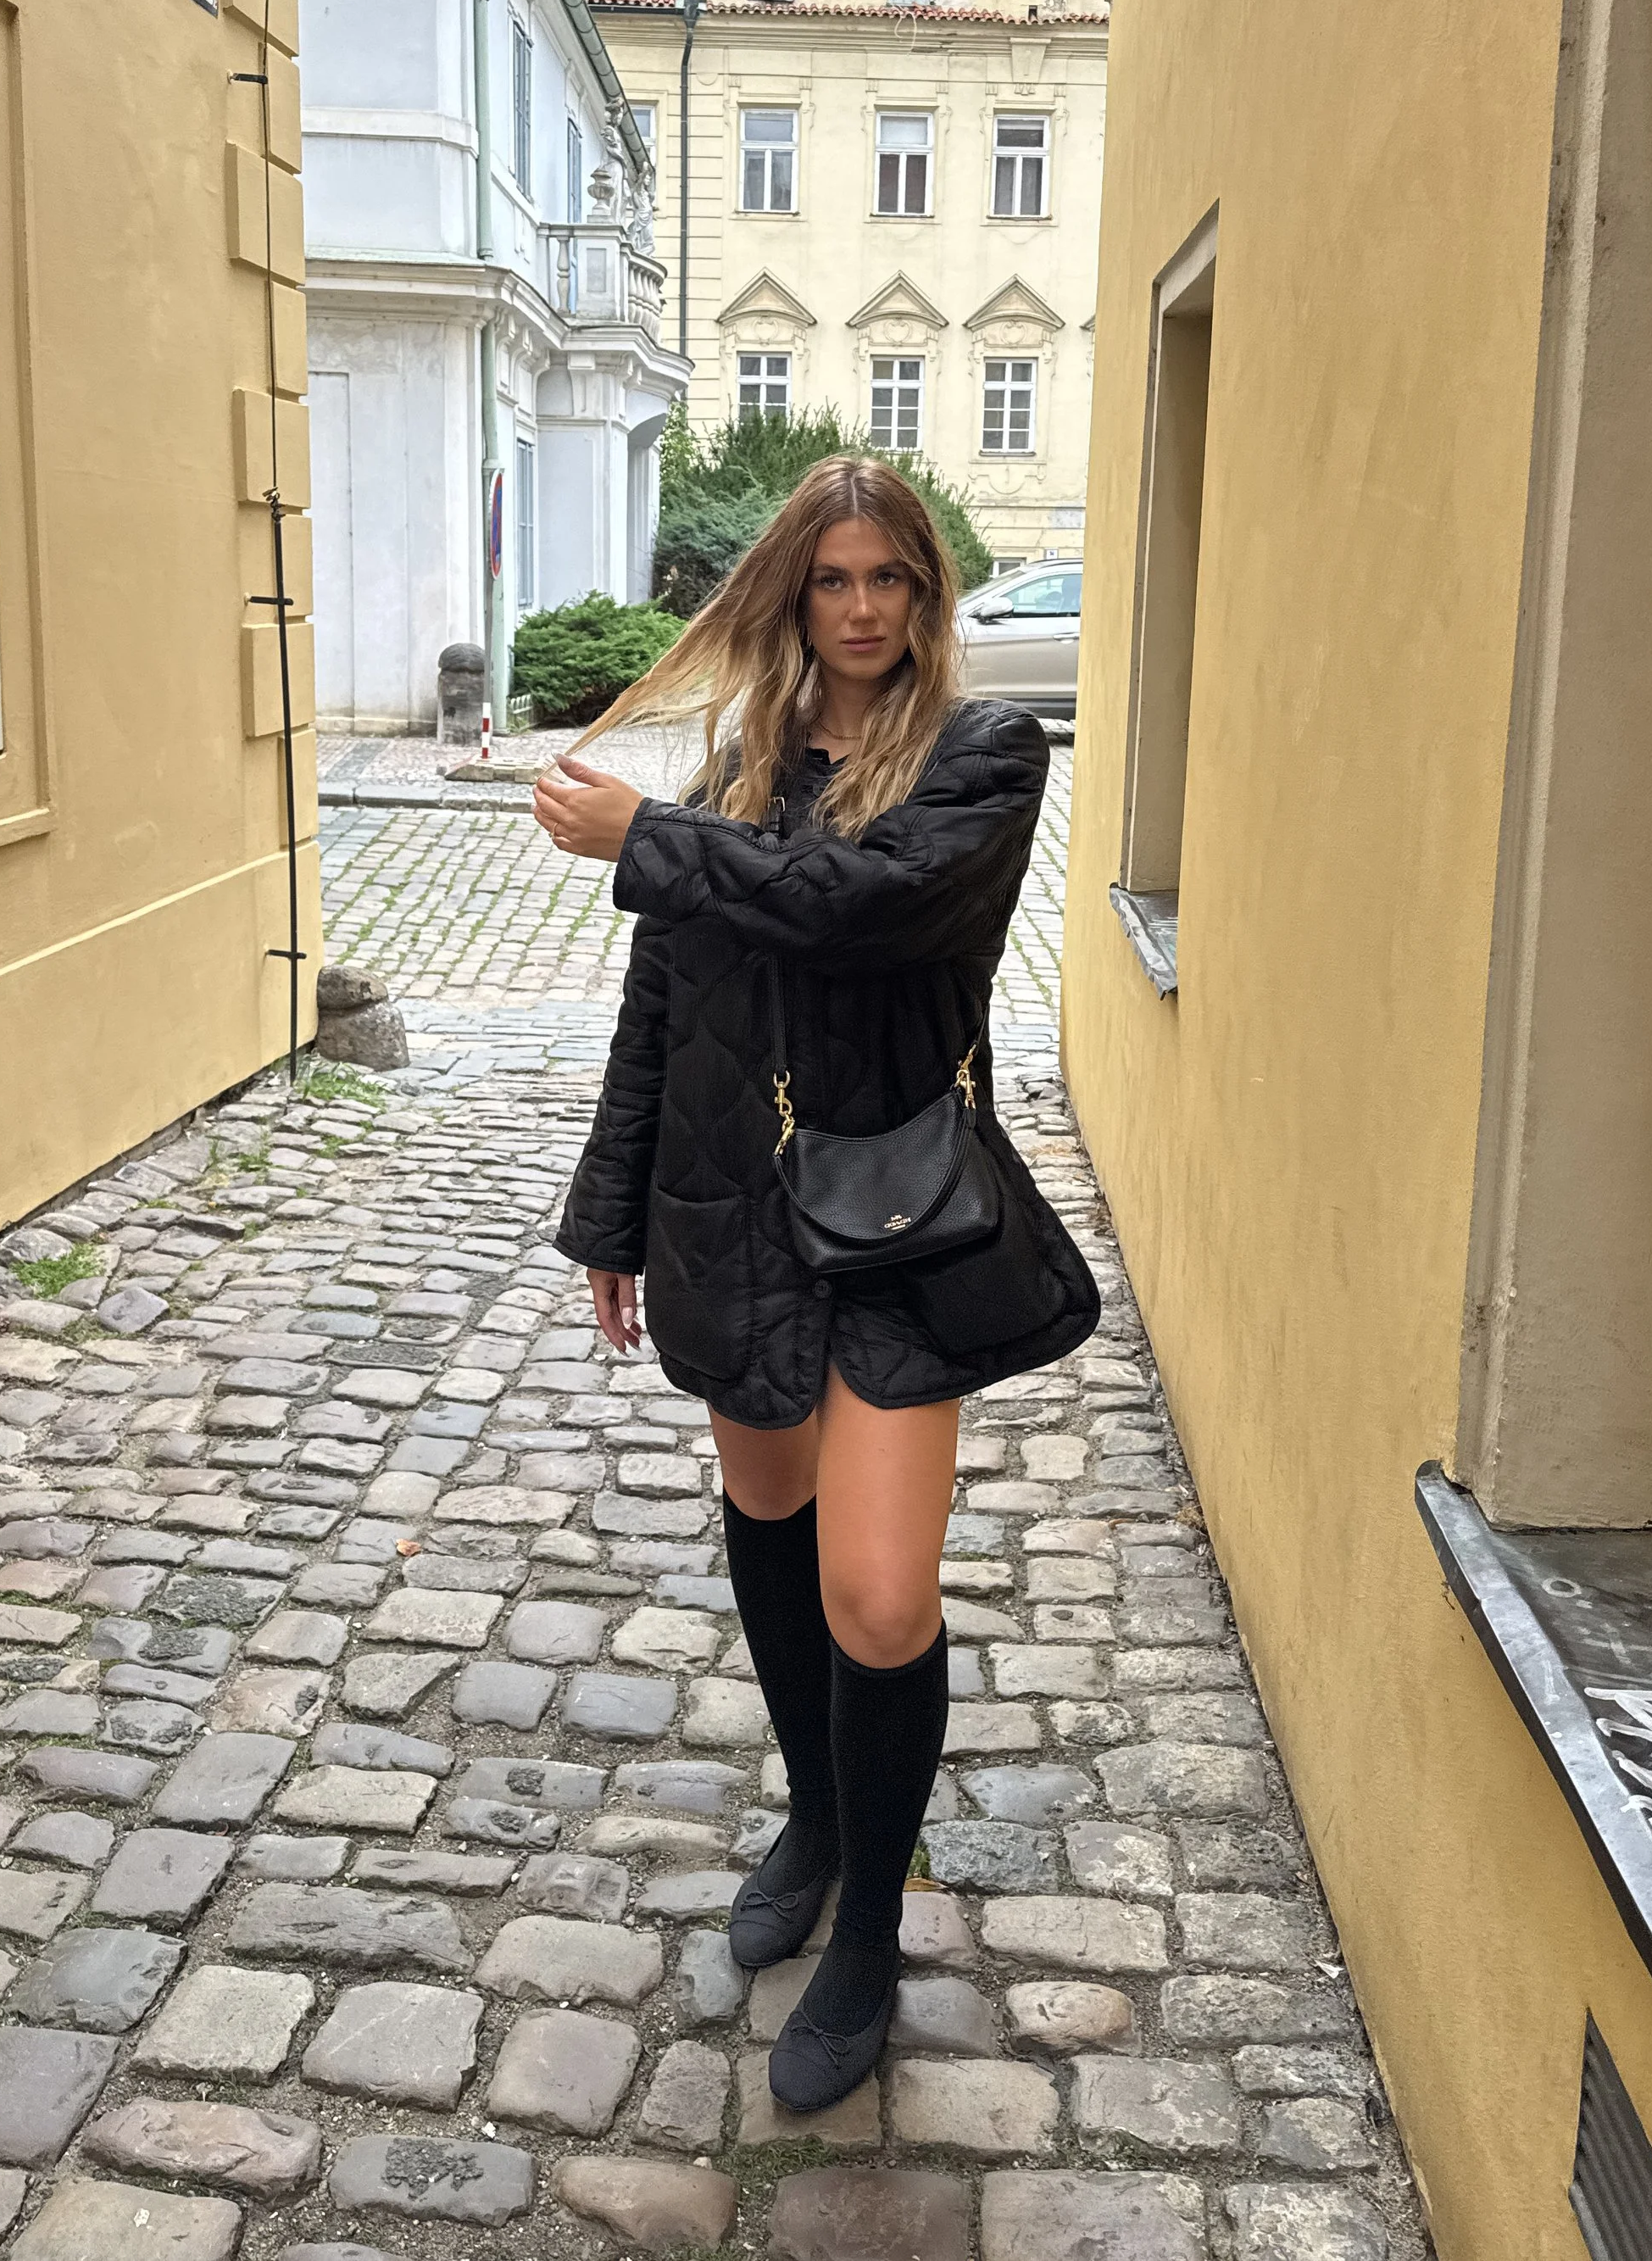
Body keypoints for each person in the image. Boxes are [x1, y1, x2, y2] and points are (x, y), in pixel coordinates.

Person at [531, 454, 1099, 2111]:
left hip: (898, 1221)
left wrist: (650, 839)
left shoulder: (983, 756)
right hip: (733, 1207)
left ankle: (869, 1931)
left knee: (879, 1594)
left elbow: (867, 910)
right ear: (793, 595)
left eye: (889, 580)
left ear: (927, 594)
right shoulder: (739, 769)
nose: (860, 610)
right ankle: (817, 1815)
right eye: (832, 581)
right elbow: (660, 1007)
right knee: (769, 1515)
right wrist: (612, 1215)